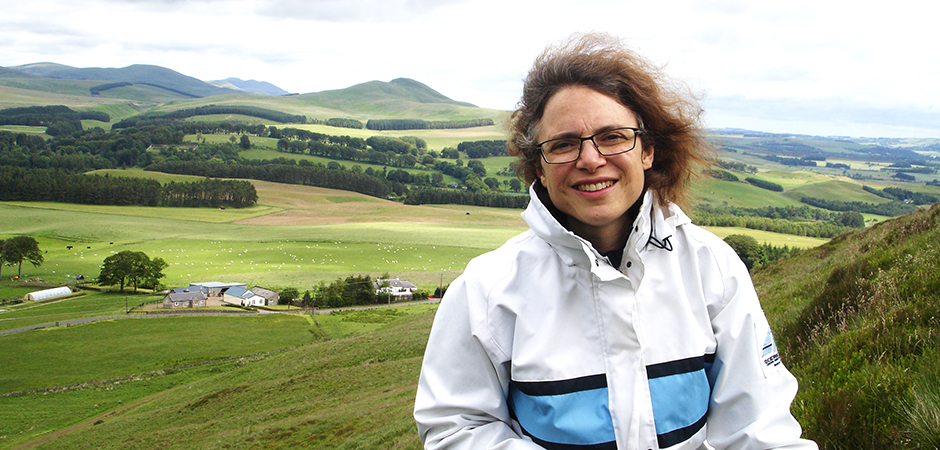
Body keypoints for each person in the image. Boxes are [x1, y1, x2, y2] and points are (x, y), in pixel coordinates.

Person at [414, 32, 817, 450]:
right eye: (564, 144)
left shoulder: (711, 267)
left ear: (647, 151)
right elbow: (456, 428)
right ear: (539, 167)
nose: (590, 159)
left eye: (612, 136)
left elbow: (758, 428)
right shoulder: (486, 289)